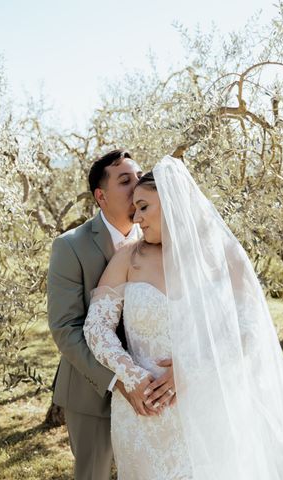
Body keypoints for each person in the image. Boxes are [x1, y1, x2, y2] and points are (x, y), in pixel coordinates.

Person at [83, 155, 283, 479]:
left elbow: (251, 327)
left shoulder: (223, 255)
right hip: (143, 414)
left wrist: (191, 367)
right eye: (135, 210)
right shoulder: (128, 258)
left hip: (206, 406)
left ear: (173, 203)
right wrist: (130, 375)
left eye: (144, 207)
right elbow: (96, 327)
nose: (138, 218)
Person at [47, 149, 174, 480]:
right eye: (125, 180)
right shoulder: (70, 246)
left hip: (156, 391)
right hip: (92, 390)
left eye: (139, 176)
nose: (137, 186)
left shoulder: (159, 238)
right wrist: (121, 378)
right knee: (95, 475)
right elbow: (65, 329)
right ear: (101, 196)